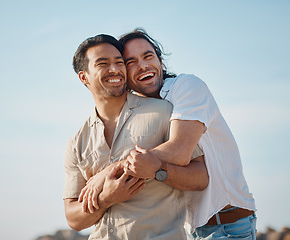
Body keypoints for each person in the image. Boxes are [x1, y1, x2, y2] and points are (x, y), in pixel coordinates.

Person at [63, 34, 208, 239]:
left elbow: (201, 177)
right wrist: (106, 199)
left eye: (119, 62)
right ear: (84, 77)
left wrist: (157, 169)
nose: (114, 69)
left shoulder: (164, 112)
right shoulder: (77, 143)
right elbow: (73, 218)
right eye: (103, 63)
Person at [118, 28, 257, 240]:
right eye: (131, 62)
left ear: (160, 62)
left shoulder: (186, 86)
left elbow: (179, 151)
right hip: (192, 231)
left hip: (228, 226)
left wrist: (106, 175)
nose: (143, 65)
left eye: (148, 56)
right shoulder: (141, 114)